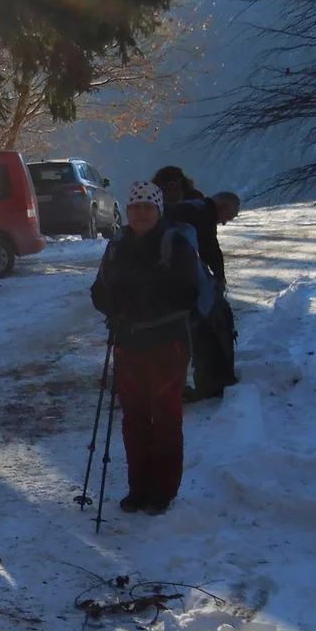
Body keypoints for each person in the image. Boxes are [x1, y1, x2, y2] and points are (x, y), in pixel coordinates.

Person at [89, 180, 204, 515]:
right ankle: (138, 489)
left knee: (166, 417)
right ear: (127, 210)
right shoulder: (117, 245)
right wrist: (115, 307)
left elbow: (189, 291)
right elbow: (99, 291)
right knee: (134, 418)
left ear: (158, 210)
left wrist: (141, 301)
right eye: (136, 207)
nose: (141, 212)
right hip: (128, 342)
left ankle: (163, 492)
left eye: (148, 207)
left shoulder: (175, 242)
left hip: (167, 343)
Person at [156, 174, 242, 399]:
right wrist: (219, 277)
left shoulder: (193, 209)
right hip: (167, 273)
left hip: (162, 267)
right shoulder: (201, 213)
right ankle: (203, 378)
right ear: (221, 206)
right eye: (228, 216)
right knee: (195, 319)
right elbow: (210, 249)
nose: (225, 222)